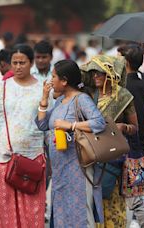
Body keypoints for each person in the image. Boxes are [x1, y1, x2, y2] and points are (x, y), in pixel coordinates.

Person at [0, 44, 47, 227]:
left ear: (31, 63)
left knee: (32, 212)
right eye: (15, 63)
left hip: (32, 159)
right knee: (3, 211)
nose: (18, 66)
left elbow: (47, 123)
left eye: (22, 62)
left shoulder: (42, 89)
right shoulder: (1, 88)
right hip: (1, 157)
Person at [35, 59, 106, 227]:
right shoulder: (61, 101)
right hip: (60, 168)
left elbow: (99, 122)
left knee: (80, 210)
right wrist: (44, 99)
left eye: (54, 77)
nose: (51, 80)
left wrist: (71, 125)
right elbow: (42, 124)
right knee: (62, 210)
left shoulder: (81, 99)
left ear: (64, 81)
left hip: (77, 165)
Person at [81, 55, 138, 227]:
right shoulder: (90, 94)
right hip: (92, 154)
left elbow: (135, 128)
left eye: (100, 72)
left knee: (111, 198)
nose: (95, 76)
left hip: (112, 156)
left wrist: (124, 127)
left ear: (111, 74)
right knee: (93, 200)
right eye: (93, 73)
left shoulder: (123, 96)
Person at [122, 44, 144, 228]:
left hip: (128, 143)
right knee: (138, 191)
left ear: (125, 62)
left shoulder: (123, 87)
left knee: (134, 196)